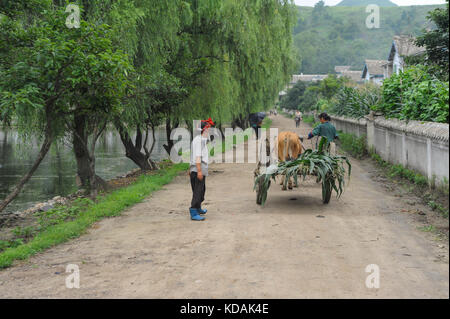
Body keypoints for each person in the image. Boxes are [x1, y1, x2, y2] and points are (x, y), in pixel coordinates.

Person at [189, 118, 215, 221]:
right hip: (198, 168)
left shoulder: (201, 140)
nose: (209, 131)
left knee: (201, 189)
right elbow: (197, 157)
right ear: (204, 129)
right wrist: (199, 171)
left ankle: (198, 207)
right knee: (198, 191)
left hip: (197, 168)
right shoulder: (199, 141)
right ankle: (193, 211)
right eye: (208, 129)